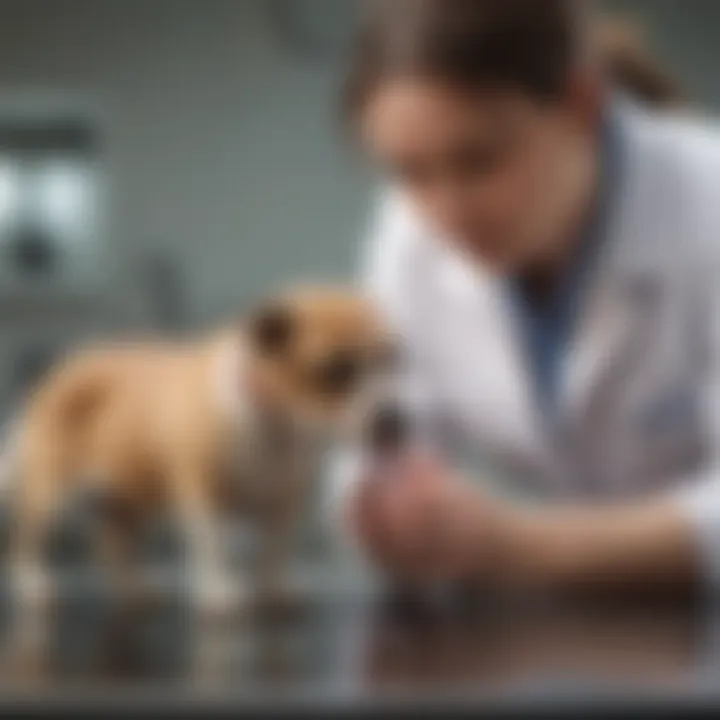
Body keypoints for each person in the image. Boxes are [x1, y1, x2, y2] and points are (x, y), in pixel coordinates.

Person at [330, 0, 720, 596]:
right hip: (566, 640)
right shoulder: (405, 235)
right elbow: (385, 434)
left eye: (480, 160)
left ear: (582, 105)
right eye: (408, 172)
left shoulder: (706, 205)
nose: (447, 211)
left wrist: (518, 545)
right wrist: (384, 505)